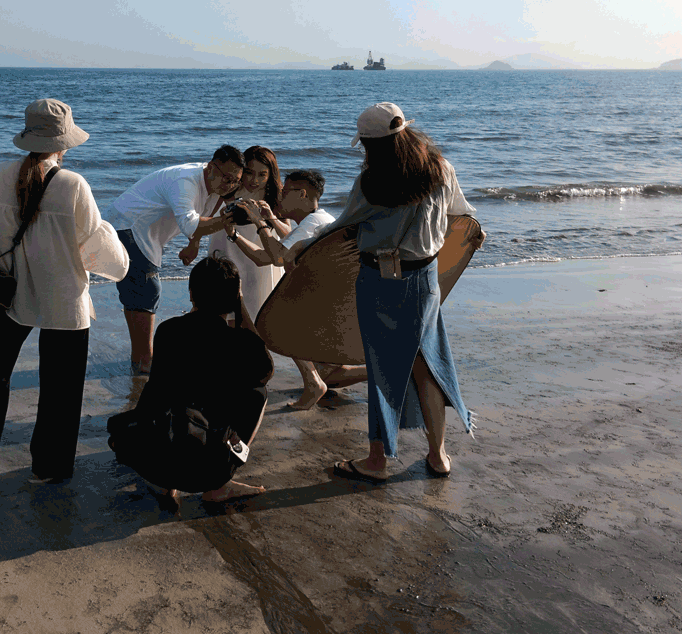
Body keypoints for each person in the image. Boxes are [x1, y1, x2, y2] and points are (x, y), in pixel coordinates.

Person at [0, 99, 129, 482]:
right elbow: (98, 248)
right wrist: (117, 263)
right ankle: (48, 468)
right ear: (63, 143)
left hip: (7, 293)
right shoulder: (72, 185)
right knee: (61, 387)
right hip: (62, 297)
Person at [318, 102, 481, 482]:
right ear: (406, 131)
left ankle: (377, 461)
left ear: (370, 146)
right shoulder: (441, 168)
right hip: (425, 280)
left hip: (379, 281)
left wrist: (297, 246)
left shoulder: (371, 184)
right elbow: (462, 214)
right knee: (427, 365)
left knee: (381, 369)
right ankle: (438, 455)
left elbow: (341, 226)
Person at [106, 256, 272, 503]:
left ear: (191, 293)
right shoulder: (241, 343)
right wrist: (240, 307)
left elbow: (154, 394)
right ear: (234, 296)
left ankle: (163, 484)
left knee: (143, 406)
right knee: (258, 394)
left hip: (159, 462)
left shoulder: (167, 331)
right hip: (210, 471)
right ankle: (221, 484)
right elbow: (265, 370)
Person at [224, 168, 366, 409]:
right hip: (337, 302)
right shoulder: (319, 219)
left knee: (281, 322)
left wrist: (249, 227)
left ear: (301, 194)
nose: (279, 197)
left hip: (325, 307)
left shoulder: (313, 223)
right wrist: (269, 221)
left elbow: (273, 257)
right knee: (329, 373)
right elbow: (291, 241)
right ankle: (391, 372)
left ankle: (313, 383)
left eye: (285, 192)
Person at [102, 146, 245, 374]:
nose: (229, 185)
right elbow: (193, 223)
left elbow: (200, 218)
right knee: (147, 289)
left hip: (141, 231)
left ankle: (139, 358)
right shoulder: (185, 182)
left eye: (235, 181)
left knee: (139, 292)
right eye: (226, 178)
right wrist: (228, 220)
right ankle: (145, 360)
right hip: (127, 226)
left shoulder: (214, 185)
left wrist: (193, 244)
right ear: (210, 167)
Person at [196, 145, 291, 325]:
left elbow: (289, 235)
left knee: (256, 317)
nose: (254, 180)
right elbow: (203, 219)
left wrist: (269, 216)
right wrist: (193, 244)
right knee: (221, 315)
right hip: (225, 253)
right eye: (249, 172)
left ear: (271, 174)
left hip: (259, 261)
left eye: (262, 174)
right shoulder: (227, 189)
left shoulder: (276, 197)